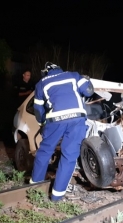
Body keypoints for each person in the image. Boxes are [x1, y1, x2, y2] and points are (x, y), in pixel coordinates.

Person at [29, 62, 94, 202]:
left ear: (46, 72)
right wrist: (86, 80)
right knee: (69, 156)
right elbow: (89, 91)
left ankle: (35, 190)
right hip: (77, 119)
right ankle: (57, 197)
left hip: (55, 120)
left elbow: (38, 109)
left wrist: (42, 124)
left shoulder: (41, 83)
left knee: (44, 152)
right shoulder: (73, 75)